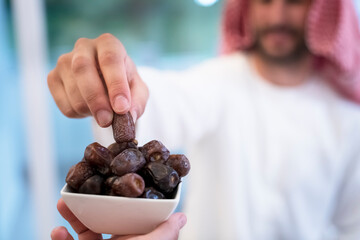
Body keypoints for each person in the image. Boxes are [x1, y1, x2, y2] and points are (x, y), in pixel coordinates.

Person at [48, 0, 360, 239]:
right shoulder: (217, 81)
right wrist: (113, 81)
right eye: (264, 0)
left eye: (294, 1)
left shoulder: (348, 120)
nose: (277, 16)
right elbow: (156, 104)